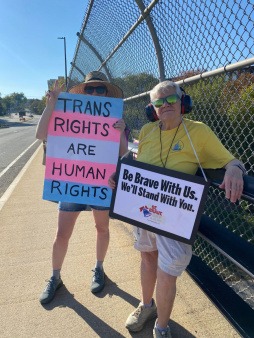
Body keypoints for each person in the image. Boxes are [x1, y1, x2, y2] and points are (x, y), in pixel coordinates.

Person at [109, 80, 245, 338]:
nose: (166, 105)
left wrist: (235, 170)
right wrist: (122, 177)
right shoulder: (149, 130)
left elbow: (230, 160)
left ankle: (161, 327)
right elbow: (137, 161)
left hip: (175, 217)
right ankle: (146, 306)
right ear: (153, 109)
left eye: (171, 99)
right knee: (147, 256)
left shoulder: (199, 132)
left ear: (183, 102)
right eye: (159, 102)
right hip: (143, 210)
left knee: (167, 270)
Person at [36, 71, 128, 304]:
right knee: (62, 234)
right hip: (71, 182)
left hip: (100, 182)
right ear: (83, 92)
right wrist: (51, 104)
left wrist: (120, 132)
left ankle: (99, 268)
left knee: (102, 228)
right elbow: (40, 134)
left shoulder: (114, 118)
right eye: (90, 89)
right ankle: (55, 277)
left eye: (100, 89)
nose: (95, 93)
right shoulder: (66, 112)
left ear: (107, 93)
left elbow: (122, 153)